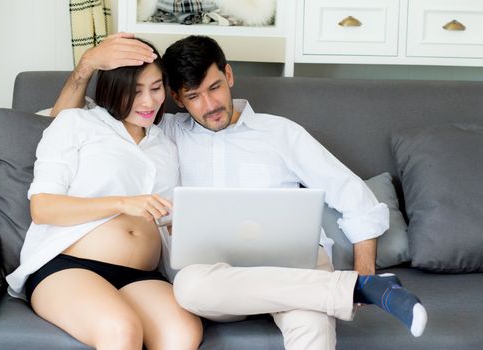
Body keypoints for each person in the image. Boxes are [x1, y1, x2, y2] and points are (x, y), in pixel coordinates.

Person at [50, 33, 428, 350]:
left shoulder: (281, 132)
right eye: (194, 96)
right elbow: (60, 123)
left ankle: (356, 286)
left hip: (293, 260)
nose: (210, 104)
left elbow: (354, 197)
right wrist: (87, 66)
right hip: (215, 274)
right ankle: (353, 290)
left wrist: (365, 266)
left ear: (229, 75)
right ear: (177, 99)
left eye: (214, 87)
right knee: (189, 288)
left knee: (311, 325)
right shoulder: (161, 134)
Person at [6, 38, 202, 350]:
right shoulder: (77, 123)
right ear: (112, 88)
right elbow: (43, 208)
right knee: (120, 329)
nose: (149, 101)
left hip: (142, 275)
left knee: (183, 333)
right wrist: (124, 203)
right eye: (136, 90)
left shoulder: (166, 145)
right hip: (70, 265)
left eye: (156, 87)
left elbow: (168, 218)